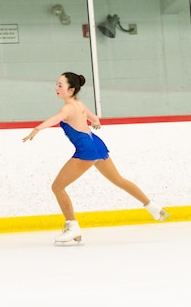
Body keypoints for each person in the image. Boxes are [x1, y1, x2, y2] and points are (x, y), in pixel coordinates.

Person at [23, 72, 169, 244]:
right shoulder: (79, 104)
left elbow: (56, 118)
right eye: (57, 84)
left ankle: (73, 227)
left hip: (86, 149)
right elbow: (95, 119)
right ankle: (153, 207)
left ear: (71, 90)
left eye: (60, 85)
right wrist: (95, 123)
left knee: (57, 187)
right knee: (119, 180)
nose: (56, 88)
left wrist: (38, 129)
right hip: (96, 144)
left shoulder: (68, 108)